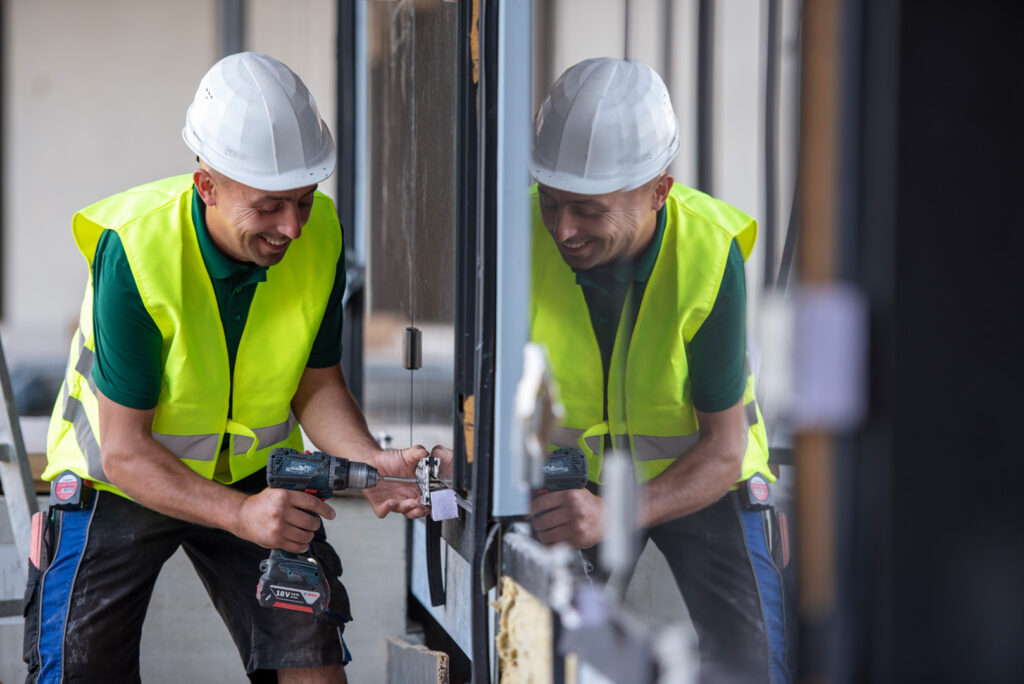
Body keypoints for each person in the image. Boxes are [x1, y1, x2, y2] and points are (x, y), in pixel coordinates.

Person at [22, 52, 432, 684]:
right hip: (120, 482)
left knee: (310, 660)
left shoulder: (319, 236)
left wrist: (368, 464)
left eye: (303, 199)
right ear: (206, 186)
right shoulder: (136, 251)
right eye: (269, 206)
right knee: (76, 669)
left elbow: (316, 382)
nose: (291, 227)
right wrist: (241, 517)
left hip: (253, 479)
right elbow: (126, 452)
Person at [527, 57, 791, 683]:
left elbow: (725, 449)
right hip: (578, 487)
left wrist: (618, 514)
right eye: (553, 202)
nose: (564, 229)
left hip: (703, 479)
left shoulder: (707, 255)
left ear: (658, 192)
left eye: (588, 210)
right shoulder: (517, 234)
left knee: (753, 665)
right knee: (550, 652)